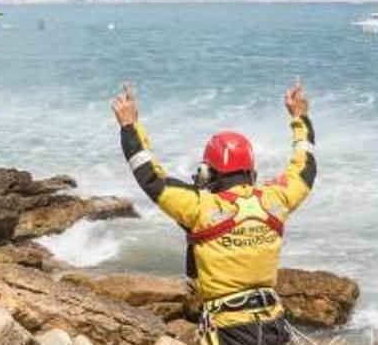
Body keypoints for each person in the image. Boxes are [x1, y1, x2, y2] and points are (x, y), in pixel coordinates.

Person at [109, 80, 316, 345]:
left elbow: (149, 175)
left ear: (208, 173)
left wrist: (129, 126)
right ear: (251, 171)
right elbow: (305, 165)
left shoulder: (199, 207)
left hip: (228, 330)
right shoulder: (276, 200)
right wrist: (300, 117)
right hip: (273, 324)